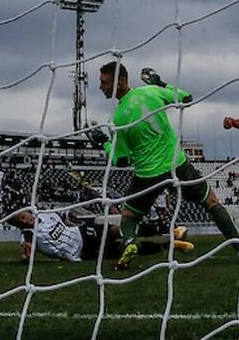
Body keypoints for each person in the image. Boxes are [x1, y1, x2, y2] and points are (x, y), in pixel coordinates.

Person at [86, 61, 239, 269]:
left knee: (129, 217)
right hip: (176, 165)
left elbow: (122, 161)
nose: (100, 87)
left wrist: (102, 142)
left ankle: (130, 244)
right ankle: (238, 245)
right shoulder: (151, 91)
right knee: (211, 203)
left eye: (104, 82)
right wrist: (161, 83)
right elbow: (186, 97)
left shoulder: (119, 119)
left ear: (119, 82)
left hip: (147, 174)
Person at [10, 210, 194, 263]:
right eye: (22, 219)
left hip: (83, 232)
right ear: (20, 224)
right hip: (82, 251)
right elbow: (26, 252)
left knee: (120, 229)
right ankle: (172, 244)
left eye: (25, 215)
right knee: (125, 249)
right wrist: (26, 255)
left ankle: (171, 231)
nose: (26, 219)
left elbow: (66, 224)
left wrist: (75, 225)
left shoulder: (46, 214)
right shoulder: (28, 234)